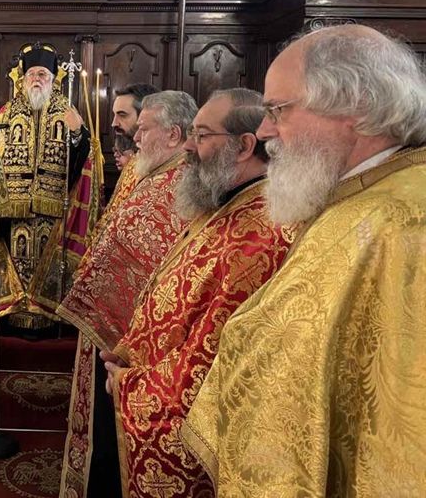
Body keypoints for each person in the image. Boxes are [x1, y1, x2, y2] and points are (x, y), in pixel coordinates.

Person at [183, 26, 426, 496]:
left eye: (278, 110)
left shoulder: (400, 223)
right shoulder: (359, 200)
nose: (265, 131)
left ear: (355, 105)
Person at [105, 88, 296, 497]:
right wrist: (129, 349)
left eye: (202, 135)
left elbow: (212, 355)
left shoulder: (261, 235)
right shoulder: (225, 205)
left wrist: (131, 383)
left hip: (184, 413)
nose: (189, 147)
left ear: (244, 146)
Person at [57, 90, 196, 498]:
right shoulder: (153, 172)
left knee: (115, 439)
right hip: (114, 325)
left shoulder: (180, 183)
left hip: (134, 341)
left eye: (144, 128)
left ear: (173, 135)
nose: (135, 136)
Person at [0, 43, 90, 332]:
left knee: (48, 265)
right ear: (22, 79)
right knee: (16, 262)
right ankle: (13, 319)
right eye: (32, 73)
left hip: (52, 204)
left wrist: (77, 133)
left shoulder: (66, 111)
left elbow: (82, 156)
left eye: (43, 74)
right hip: (15, 208)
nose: (37, 79)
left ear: (53, 79)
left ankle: (47, 321)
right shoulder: (7, 113)